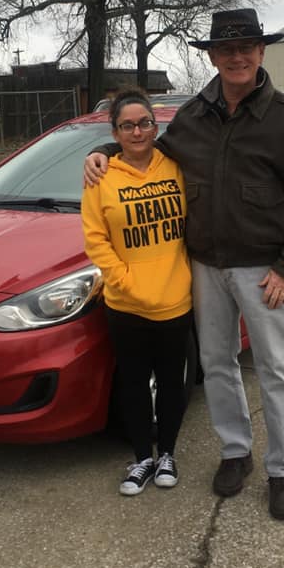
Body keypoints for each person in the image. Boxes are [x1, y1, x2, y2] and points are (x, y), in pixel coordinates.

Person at [84, 9, 284, 520]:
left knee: (276, 368)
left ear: (261, 52)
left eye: (245, 48)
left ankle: (282, 470)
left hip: (265, 271)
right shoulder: (193, 116)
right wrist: (105, 149)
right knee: (217, 363)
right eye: (225, 50)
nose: (236, 57)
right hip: (204, 268)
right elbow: (147, 149)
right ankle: (235, 452)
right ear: (213, 57)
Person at [81, 88, 193, 496]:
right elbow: (95, 239)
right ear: (115, 132)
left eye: (144, 123)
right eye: (127, 126)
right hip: (126, 303)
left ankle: (168, 454)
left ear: (155, 126)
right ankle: (142, 457)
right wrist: (123, 280)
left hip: (174, 299)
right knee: (133, 383)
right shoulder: (100, 176)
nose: (137, 132)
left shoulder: (176, 167)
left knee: (172, 383)